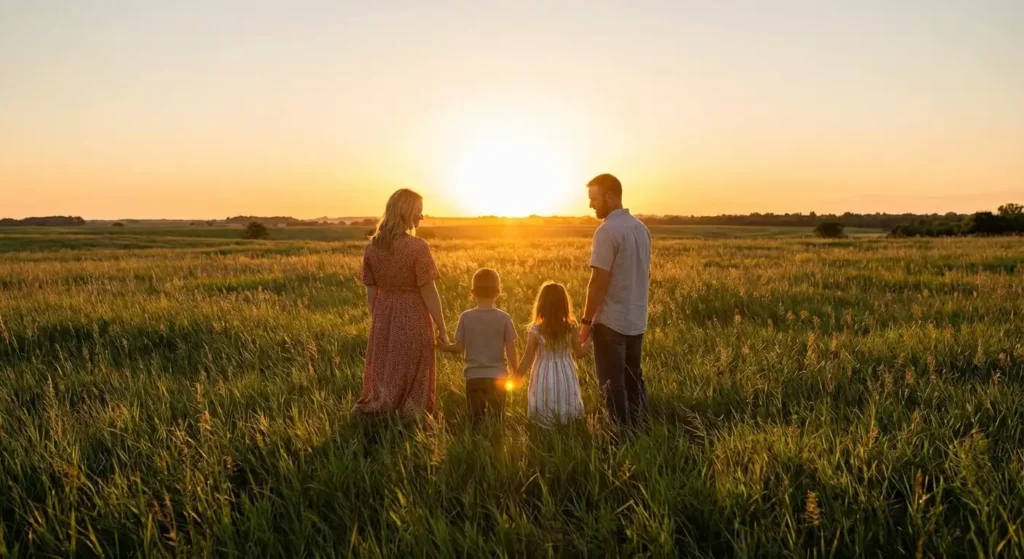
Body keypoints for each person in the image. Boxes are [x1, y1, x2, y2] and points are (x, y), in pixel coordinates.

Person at [355, 188, 449, 417]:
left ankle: (383, 409)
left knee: (388, 367)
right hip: (413, 312)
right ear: (406, 212)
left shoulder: (372, 247)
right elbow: (428, 290)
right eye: (419, 211)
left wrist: (378, 318)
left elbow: (371, 290)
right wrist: (443, 329)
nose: (422, 217)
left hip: (383, 313)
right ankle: (411, 415)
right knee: (414, 367)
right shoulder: (418, 246)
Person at [579, 174, 651, 426]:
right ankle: (641, 430)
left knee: (612, 385)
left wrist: (586, 323)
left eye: (594, 199)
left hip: (611, 321)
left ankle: (620, 436)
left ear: (610, 196)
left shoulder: (607, 231)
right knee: (634, 380)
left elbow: (598, 281)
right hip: (637, 319)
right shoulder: (641, 229)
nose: (591, 205)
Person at [438, 268, 519, 427]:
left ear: (473, 293)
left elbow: (459, 348)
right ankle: (495, 446)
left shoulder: (465, 317)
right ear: (498, 292)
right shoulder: (504, 318)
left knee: (476, 422)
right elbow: (511, 350)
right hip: (499, 378)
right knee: (498, 422)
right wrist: (516, 372)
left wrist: (444, 347)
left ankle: (476, 448)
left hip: (474, 377)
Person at [517, 282, 591, 424]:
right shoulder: (571, 328)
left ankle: (545, 429)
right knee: (566, 397)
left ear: (541, 305)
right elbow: (580, 353)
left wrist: (517, 376)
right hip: (566, 372)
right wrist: (591, 337)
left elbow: (527, 357)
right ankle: (567, 426)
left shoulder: (536, 330)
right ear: (564, 305)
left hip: (543, 373)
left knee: (544, 398)